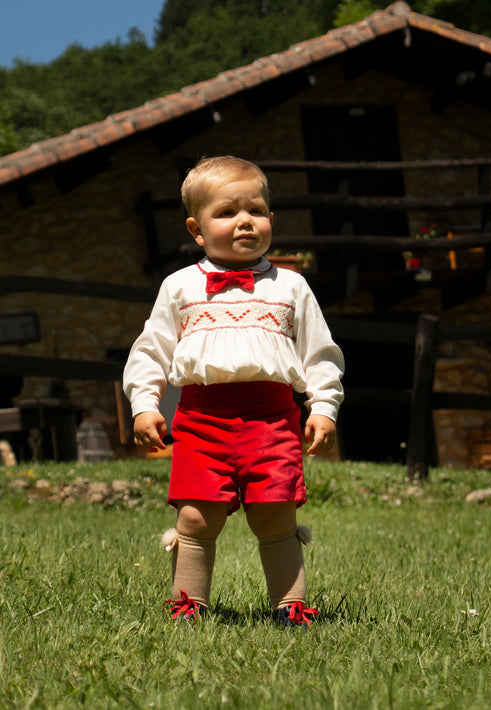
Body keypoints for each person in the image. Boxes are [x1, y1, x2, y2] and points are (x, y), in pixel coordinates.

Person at [123, 156, 344, 627]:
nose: (245, 221)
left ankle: (291, 607)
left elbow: (319, 353)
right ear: (197, 229)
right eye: (226, 212)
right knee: (197, 518)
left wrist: (322, 406)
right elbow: (151, 351)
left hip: (273, 418)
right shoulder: (180, 286)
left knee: (274, 516)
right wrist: (144, 404)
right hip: (202, 419)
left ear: (270, 219)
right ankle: (189, 605)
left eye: (257, 210)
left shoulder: (292, 287)